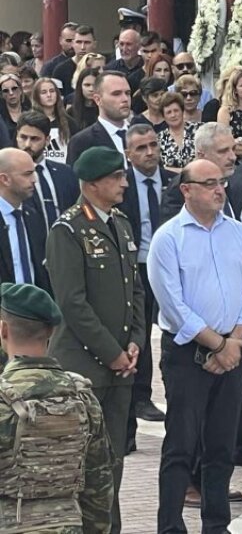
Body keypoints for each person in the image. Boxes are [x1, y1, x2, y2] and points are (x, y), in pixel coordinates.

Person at [149, 158, 242, 534]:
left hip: (232, 349)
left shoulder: (238, 233)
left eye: (223, 182)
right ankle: (170, 526)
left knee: (221, 447)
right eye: (210, 183)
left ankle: (216, 525)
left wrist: (235, 342)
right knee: (181, 446)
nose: (220, 190)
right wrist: (219, 345)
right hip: (187, 355)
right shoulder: (168, 238)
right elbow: (174, 306)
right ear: (187, 190)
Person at [47, 146, 146, 534]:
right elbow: (72, 303)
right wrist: (112, 353)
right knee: (81, 463)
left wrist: (136, 341)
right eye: (115, 177)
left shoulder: (120, 223)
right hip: (85, 366)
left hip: (122, 366)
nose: (124, 183)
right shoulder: (68, 229)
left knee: (113, 460)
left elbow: (134, 290)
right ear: (91, 185)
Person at [0, 282, 114, 533]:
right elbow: (99, 485)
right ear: (51, 331)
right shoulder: (83, 396)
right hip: (68, 525)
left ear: (3, 329)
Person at [119, 125, 174, 448]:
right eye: (141, 148)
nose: (150, 152)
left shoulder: (172, 181)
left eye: (153, 145)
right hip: (135, 264)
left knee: (165, 327)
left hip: (165, 264)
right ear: (129, 154)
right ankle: (138, 397)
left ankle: (157, 393)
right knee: (138, 332)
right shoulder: (122, 184)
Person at [15, 111, 79, 233]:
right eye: (23, 137)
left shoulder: (66, 173)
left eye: (35, 139)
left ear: (47, 140)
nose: (27, 144)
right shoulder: (8, 176)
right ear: (17, 136)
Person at [160, 122, 237, 222]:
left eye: (233, 149)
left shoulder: (229, 180)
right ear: (201, 155)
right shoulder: (179, 188)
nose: (233, 157)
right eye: (223, 151)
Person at [0, 148, 50, 292]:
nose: (35, 180)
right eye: (27, 174)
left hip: (33, 308)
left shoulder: (33, 215)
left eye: (34, 172)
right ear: (5, 179)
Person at [66, 71, 132, 166]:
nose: (125, 99)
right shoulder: (82, 142)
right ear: (97, 99)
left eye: (127, 93)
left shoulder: (143, 133)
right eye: (116, 94)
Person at [30, 76, 80, 161]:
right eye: (44, 92)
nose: (49, 95)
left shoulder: (69, 122)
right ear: (37, 96)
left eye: (52, 91)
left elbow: (77, 148)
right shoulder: (29, 122)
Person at [158, 91, 201, 172]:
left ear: (182, 111)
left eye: (176, 110)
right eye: (168, 112)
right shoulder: (159, 139)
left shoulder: (199, 130)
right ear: (163, 116)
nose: (173, 115)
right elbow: (161, 169)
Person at [53, 24, 97, 97]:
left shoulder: (103, 67)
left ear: (94, 44)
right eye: (79, 42)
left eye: (87, 42)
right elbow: (57, 100)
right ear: (73, 44)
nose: (82, 47)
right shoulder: (60, 70)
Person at [105, 29, 145, 94]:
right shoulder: (109, 69)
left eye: (128, 44)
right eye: (121, 44)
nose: (124, 49)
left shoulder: (147, 67)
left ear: (139, 46)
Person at [0, 72, 30, 139]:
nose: (11, 93)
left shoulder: (31, 111)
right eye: (5, 91)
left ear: (20, 90)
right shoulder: (1, 115)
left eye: (14, 88)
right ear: (1, 95)